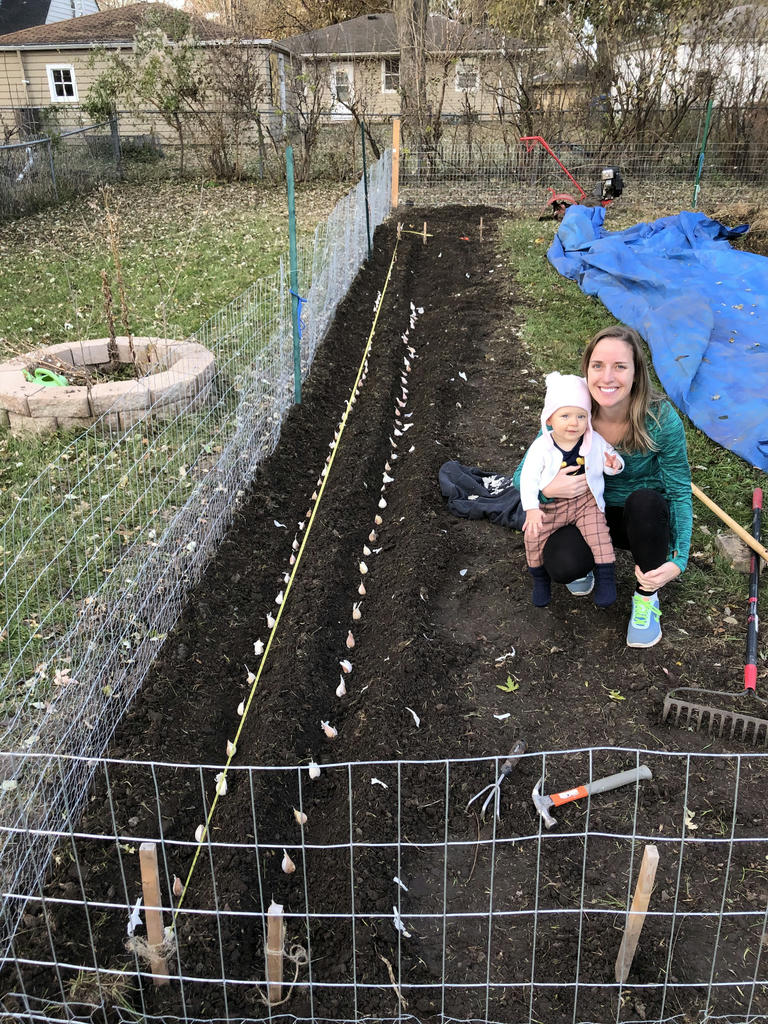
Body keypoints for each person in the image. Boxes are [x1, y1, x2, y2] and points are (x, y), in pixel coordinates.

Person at [513, 325, 692, 648]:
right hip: (584, 511)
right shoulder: (573, 409)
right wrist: (548, 490)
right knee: (564, 565)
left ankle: (646, 597)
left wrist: (678, 560)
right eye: (598, 366)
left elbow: (679, 490)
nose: (607, 377)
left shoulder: (660, 419)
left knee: (647, 503)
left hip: (638, 519)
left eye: (619, 366)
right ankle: (588, 563)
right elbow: (521, 475)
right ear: (586, 370)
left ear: (636, 373)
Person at [520, 372, 623, 608]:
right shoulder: (542, 447)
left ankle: (606, 577)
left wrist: (614, 465)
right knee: (533, 536)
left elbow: (611, 457)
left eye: (580, 416)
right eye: (565, 415)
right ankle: (540, 579)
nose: (573, 422)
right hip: (550, 506)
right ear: (549, 419)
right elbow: (527, 478)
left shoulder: (593, 440)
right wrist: (532, 508)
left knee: (598, 532)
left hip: (584, 502)